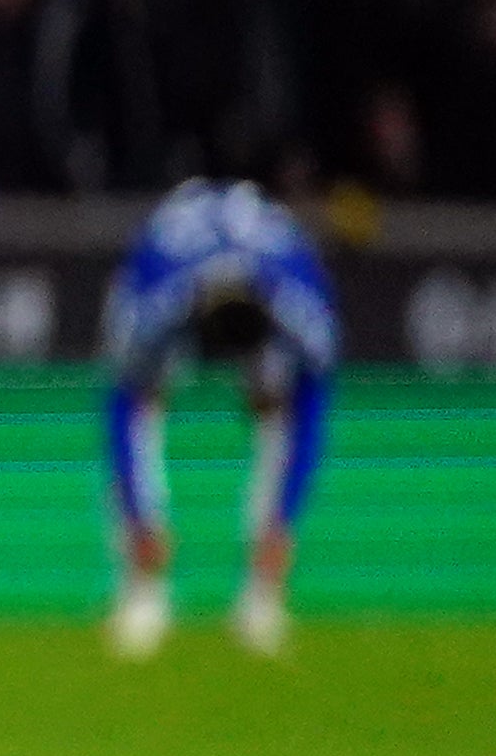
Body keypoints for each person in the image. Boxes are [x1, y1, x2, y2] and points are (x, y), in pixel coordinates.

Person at [99, 178, 335, 659]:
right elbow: (125, 404)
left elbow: (310, 409)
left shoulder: (303, 310)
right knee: (149, 397)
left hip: (264, 282)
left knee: (276, 412)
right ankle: (143, 589)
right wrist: (141, 521)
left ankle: (263, 593)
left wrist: (282, 523)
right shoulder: (154, 302)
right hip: (173, 269)